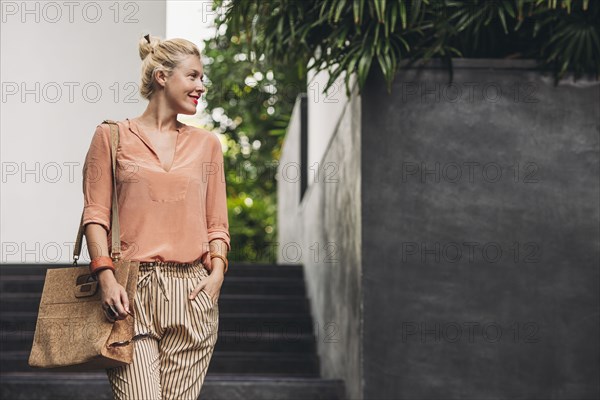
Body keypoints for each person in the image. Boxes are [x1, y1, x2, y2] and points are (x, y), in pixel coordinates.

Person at [81, 33, 231, 400]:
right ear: (162, 77)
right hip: (131, 290)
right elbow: (95, 214)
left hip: (192, 292)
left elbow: (217, 224)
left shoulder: (207, 145)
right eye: (193, 76)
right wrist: (106, 277)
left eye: (202, 78)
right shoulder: (111, 136)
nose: (201, 86)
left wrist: (217, 274)